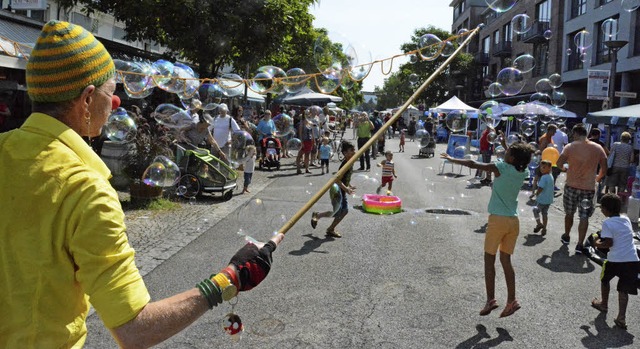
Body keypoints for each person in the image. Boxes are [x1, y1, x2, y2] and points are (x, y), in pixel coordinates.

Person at [0, 21, 284, 348]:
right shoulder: (84, 188)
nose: (116, 102)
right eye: (111, 91)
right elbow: (135, 329)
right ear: (88, 100)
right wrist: (230, 278)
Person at [441, 134, 533, 318]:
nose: (504, 153)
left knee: (489, 261)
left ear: (512, 158)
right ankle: (512, 300)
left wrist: (452, 159)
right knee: (506, 261)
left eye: (507, 152)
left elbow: (474, 164)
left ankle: (491, 300)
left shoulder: (500, 168)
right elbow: (514, 159)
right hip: (513, 222)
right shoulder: (523, 171)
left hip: (497, 220)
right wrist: (507, 145)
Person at [590, 193, 640, 330]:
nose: (601, 210)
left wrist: (596, 242)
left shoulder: (607, 222)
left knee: (605, 279)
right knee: (623, 290)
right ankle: (621, 318)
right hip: (632, 260)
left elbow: (608, 243)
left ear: (606, 209)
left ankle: (604, 304)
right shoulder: (626, 219)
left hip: (615, 260)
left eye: (602, 208)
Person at [556, 123, 608, 254]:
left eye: (573, 134)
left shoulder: (570, 147)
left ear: (576, 133)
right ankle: (579, 244)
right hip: (588, 187)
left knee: (569, 213)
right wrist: (598, 178)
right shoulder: (598, 148)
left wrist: (564, 169)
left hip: (571, 185)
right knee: (584, 216)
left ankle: (567, 236)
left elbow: (559, 163)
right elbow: (604, 168)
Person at [310, 141, 356, 238]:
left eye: (354, 150)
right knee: (342, 212)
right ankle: (329, 228)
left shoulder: (350, 163)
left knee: (339, 212)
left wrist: (349, 185)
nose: (354, 152)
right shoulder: (345, 165)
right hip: (337, 191)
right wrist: (346, 188)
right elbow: (337, 179)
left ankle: (318, 216)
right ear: (344, 153)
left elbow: (345, 178)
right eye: (351, 150)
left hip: (341, 190)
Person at [532, 160, 554, 236]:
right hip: (548, 200)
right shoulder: (551, 176)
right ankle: (544, 229)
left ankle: (539, 224)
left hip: (542, 200)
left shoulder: (544, 177)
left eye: (544, 167)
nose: (542, 169)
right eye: (541, 167)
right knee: (545, 214)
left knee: (535, 210)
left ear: (549, 168)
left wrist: (536, 194)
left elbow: (540, 188)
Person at [297, 110, 315, 175]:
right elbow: (300, 133)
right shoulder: (302, 123)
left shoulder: (310, 122)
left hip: (309, 140)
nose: (308, 114)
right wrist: (301, 142)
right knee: (300, 155)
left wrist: (314, 141)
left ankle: (307, 169)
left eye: (309, 113)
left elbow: (312, 132)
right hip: (304, 140)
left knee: (307, 155)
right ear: (304, 115)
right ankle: (298, 169)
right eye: (306, 113)